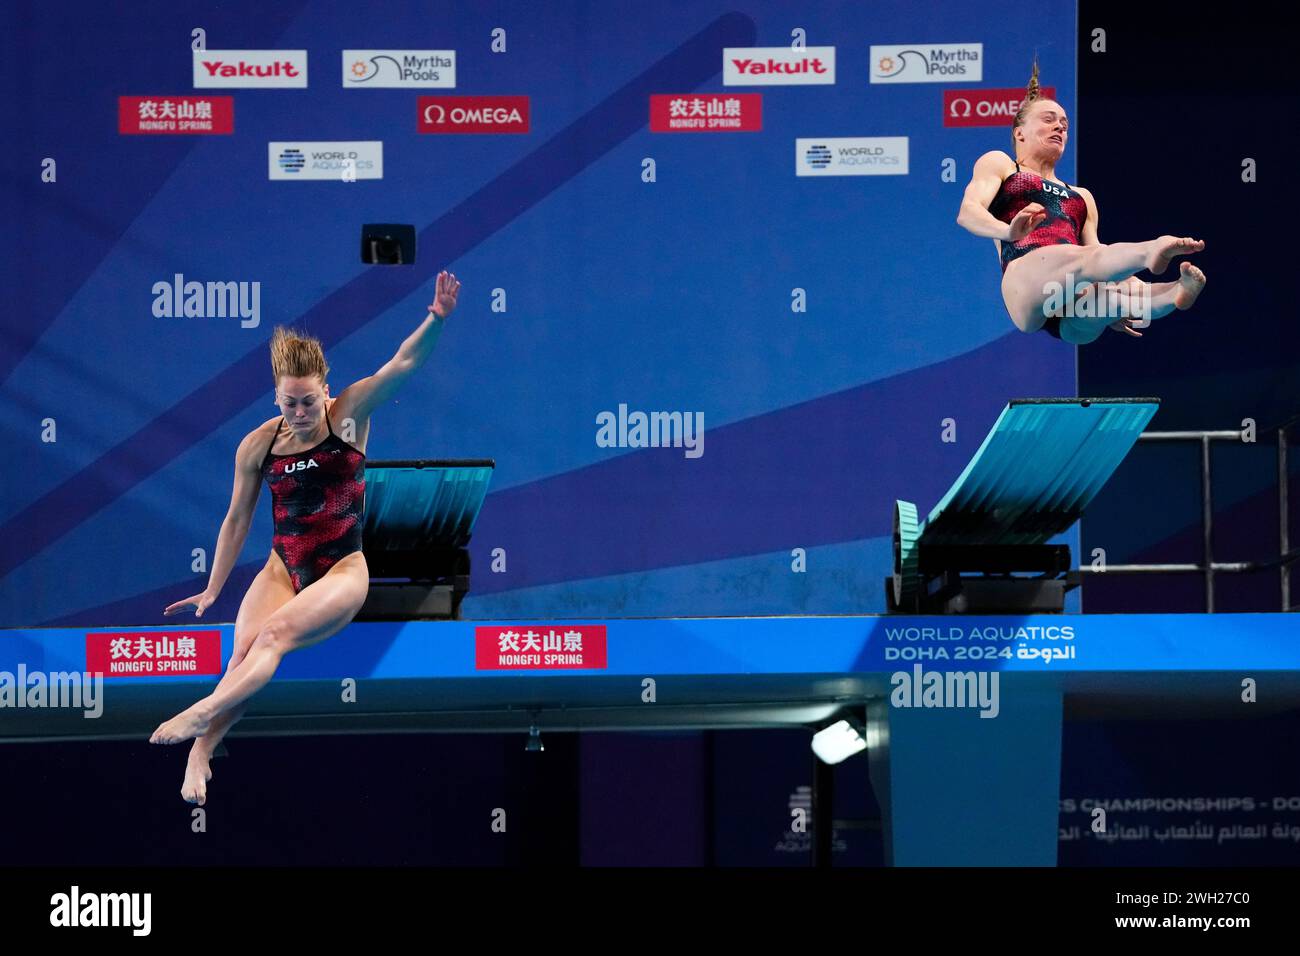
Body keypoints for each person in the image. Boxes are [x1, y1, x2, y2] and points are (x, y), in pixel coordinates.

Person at [150, 270, 462, 805]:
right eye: (288, 404)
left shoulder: (349, 414)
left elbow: (404, 363)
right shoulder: (257, 446)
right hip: (283, 565)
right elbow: (235, 520)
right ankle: (201, 753)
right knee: (242, 655)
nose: (298, 414)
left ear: (325, 390)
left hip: (343, 569)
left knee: (272, 641)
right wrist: (211, 589)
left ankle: (203, 711)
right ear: (276, 397)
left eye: (307, 403)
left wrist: (435, 317)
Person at [957, 58, 1206, 344]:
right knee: (1083, 262)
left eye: (1064, 124)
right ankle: (1151, 249)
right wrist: (1007, 232)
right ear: (1019, 132)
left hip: (1071, 307)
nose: (1060, 128)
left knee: (1114, 296)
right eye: (1049, 120)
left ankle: (1175, 293)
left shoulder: (1081, 196)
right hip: (1025, 280)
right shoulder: (1003, 165)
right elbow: (968, 212)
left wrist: (1111, 309)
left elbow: (1098, 254)